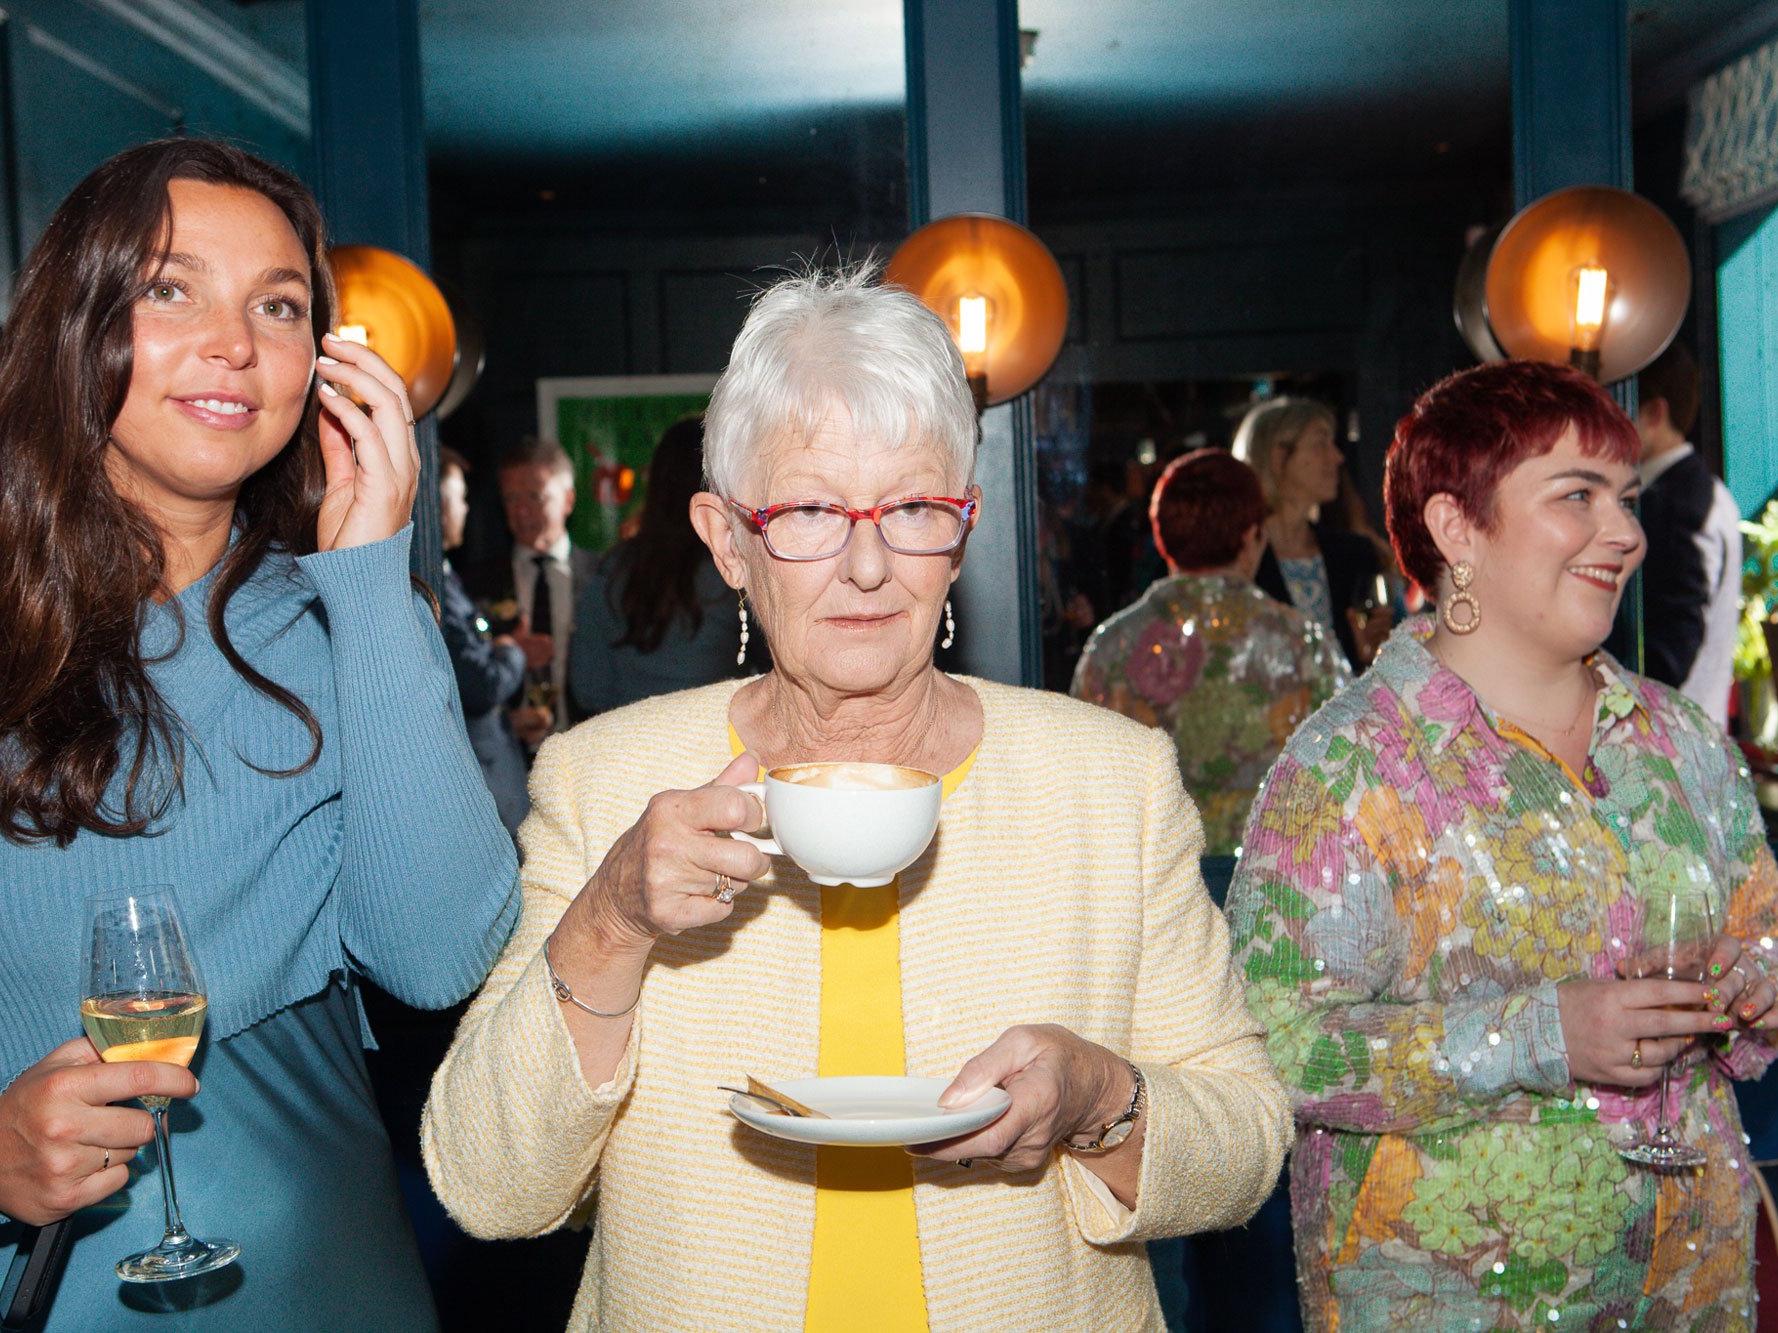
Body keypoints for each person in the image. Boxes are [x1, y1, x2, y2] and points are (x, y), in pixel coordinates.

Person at [423, 266, 1291, 1331]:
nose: (870, 564)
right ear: (727, 540)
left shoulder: (1106, 781)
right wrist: (610, 923)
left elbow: (1248, 1139)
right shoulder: (606, 781)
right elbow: (486, 1183)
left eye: (915, 507)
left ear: (962, 529)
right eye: (810, 511)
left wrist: (1100, 1099)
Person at [0, 138, 519, 1328]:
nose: (235, 342)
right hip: (5, 1282)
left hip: (318, 1273)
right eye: (171, 289)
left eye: (279, 305)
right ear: (76, 321)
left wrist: (369, 576)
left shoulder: (349, 618)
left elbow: (435, 958)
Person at [1225, 359, 1778, 1331]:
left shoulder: (1676, 738)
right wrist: (1541, 1034)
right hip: (1453, 1298)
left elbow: (1777, 938)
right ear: (1457, 527)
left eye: (1624, 500)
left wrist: (1753, 982)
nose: (1623, 534)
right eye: (1575, 495)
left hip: (1688, 1281)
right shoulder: (1346, 769)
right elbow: (1275, 1051)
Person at [1072, 449, 1349, 854]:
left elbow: (1084, 784)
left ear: (1161, 535)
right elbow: (1342, 767)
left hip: (1155, 885)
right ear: (1250, 536)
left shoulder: (1111, 648)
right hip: (1274, 880)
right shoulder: (1302, 642)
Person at [567, 415, 757, 716]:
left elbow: (589, 689)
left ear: (655, 481)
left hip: (626, 748)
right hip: (715, 747)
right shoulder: (736, 570)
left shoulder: (614, 569)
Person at [1618, 342, 1741, 721]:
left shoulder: (1679, 503)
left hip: (1671, 745)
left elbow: (1669, 653)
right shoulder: (1698, 491)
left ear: (1654, 412)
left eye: (1618, 409)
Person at [1234, 396, 1392, 669]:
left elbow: (1373, 665)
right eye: (1321, 443)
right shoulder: (1235, 560)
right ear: (1278, 457)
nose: (1337, 456)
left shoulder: (1355, 554)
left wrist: (1372, 654)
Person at [439, 447, 547, 836]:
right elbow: (478, 684)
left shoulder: (447, 578)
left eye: (533, 497)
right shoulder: (438, 586)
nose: (466, 509)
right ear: (438, 507)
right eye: (460, 498)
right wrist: (510, 650)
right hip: (484, 778)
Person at [499, 436, 599, 741]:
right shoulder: (479, 582)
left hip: (590, 747)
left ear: (568, 500)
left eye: (535, 496)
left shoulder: (603, 577)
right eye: (511, 499)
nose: (522, 511)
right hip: (508, 756)